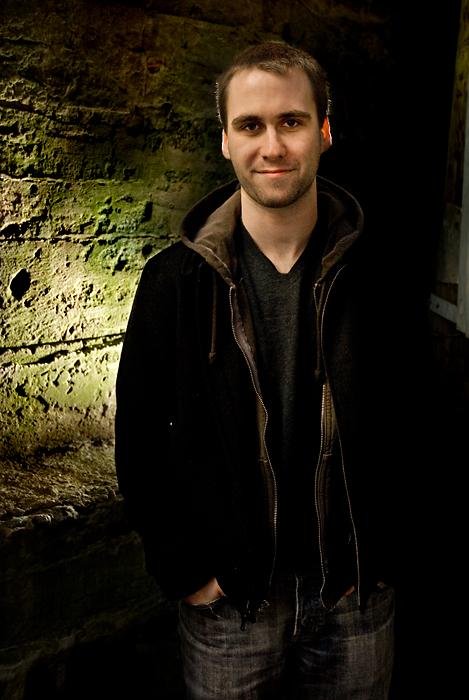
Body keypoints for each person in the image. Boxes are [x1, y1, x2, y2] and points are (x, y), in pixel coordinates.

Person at [115, 41, 401, 699]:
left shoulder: (377, 274)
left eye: (290, 121)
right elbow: (138, 437)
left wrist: (384, 549)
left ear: (323, 131)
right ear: (225, 140)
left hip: (355, 598)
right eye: (250, 125)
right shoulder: (174, 282)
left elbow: (417, 413)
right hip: (230, 606)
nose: (271, 146)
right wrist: (185, 570)